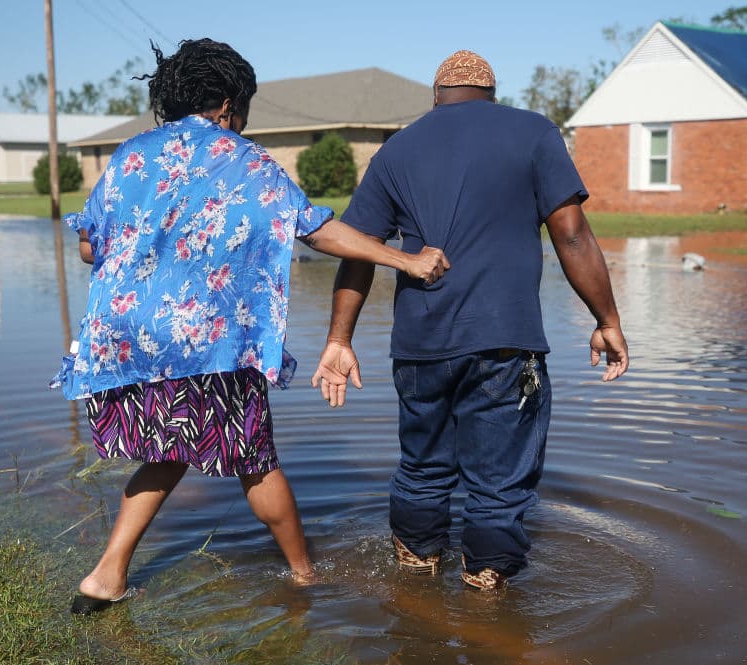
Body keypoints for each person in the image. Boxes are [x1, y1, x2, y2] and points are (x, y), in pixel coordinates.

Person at [52, 38, 449, 615]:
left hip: (132, 342)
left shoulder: (131, 155)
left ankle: (106, 576)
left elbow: (92, 247)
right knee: (253, 457)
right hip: (207, 343)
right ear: (229, 102)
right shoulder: (242, 159)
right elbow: (314, 230)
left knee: (168, 449)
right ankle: (306, 576)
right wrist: (406, 261)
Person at [311, 50, 628, 591]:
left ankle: (416, 584)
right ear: (492, 94)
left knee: (422, 469)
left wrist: (339, 338)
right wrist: (606, 318)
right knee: (498, 484)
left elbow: (358, 250)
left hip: (420, 346)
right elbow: (571, 233)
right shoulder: (533, 134)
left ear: (435, 97)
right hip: (506, 344)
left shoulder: (397, 149)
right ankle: (486, 598)